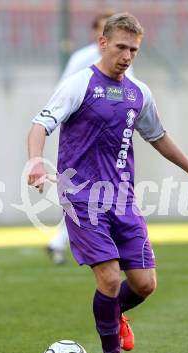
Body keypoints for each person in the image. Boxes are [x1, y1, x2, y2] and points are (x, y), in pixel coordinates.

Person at [27, 13, 188, 353]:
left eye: (133, 49)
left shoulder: (138, 92)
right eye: (120, 47)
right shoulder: (79, 84)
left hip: (122, 199)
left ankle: (116, 314)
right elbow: (40, 124)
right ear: (102, 44)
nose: (127, 55)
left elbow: (158, 136)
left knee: (145, 285)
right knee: (111, 279)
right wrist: (36, 162)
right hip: (82, 197)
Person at [47, 12, 134, 264]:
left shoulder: (124, 57)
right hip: (85, 137)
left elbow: (131, 88)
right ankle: (63, 240)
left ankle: (62, 241)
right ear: (99, 34)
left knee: (106, 193)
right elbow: (64, 91)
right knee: (84, 194)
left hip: (114, 137)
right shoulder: (82, 58)